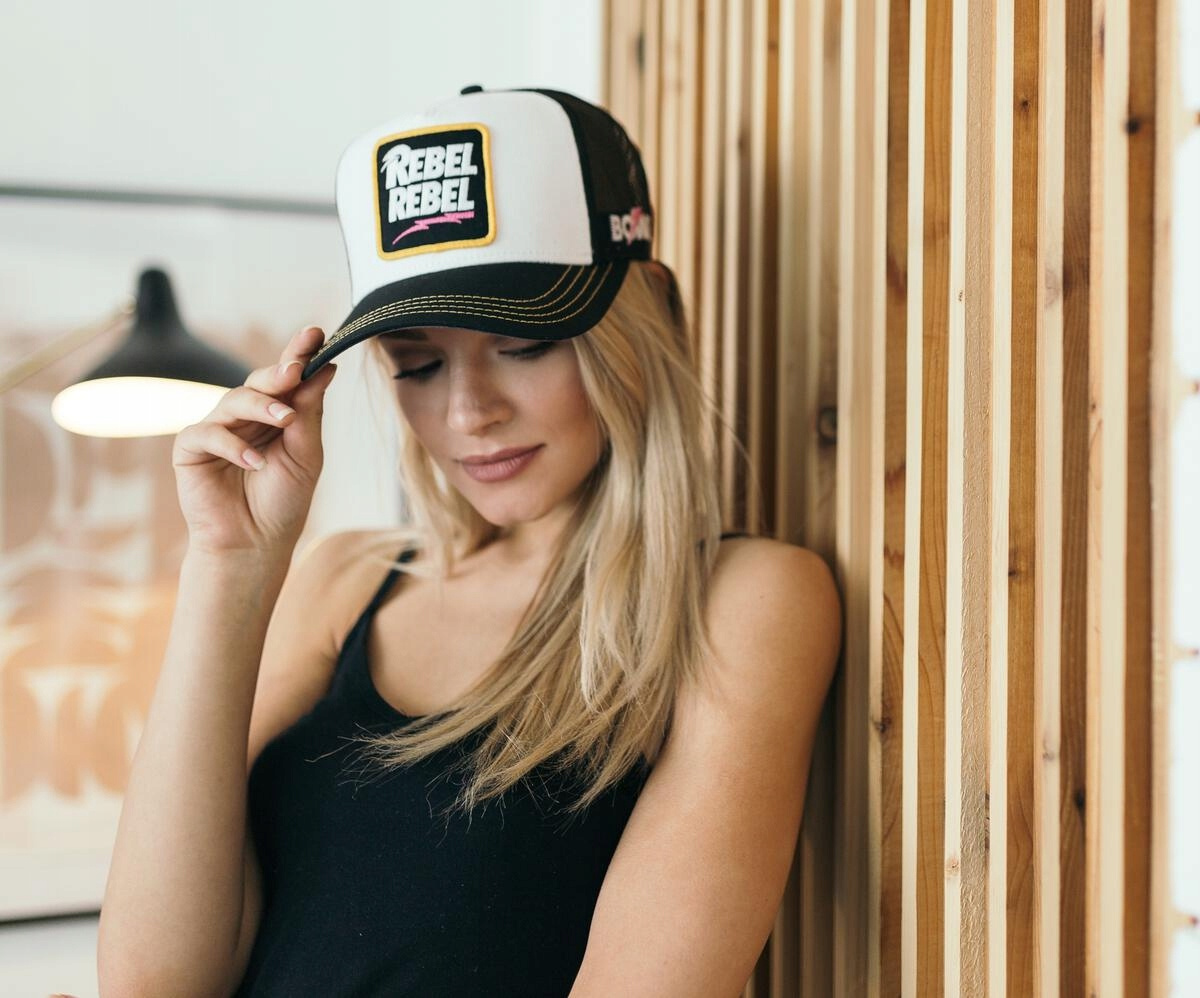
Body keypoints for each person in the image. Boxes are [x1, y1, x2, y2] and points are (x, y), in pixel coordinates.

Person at [96, 87, 842, 998]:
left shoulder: (745, 600)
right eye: (417, 364)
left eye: (522, 345)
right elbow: (152, 980)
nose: (465, 414)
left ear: (646, 308)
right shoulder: (343, 579)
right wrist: (230, 566)